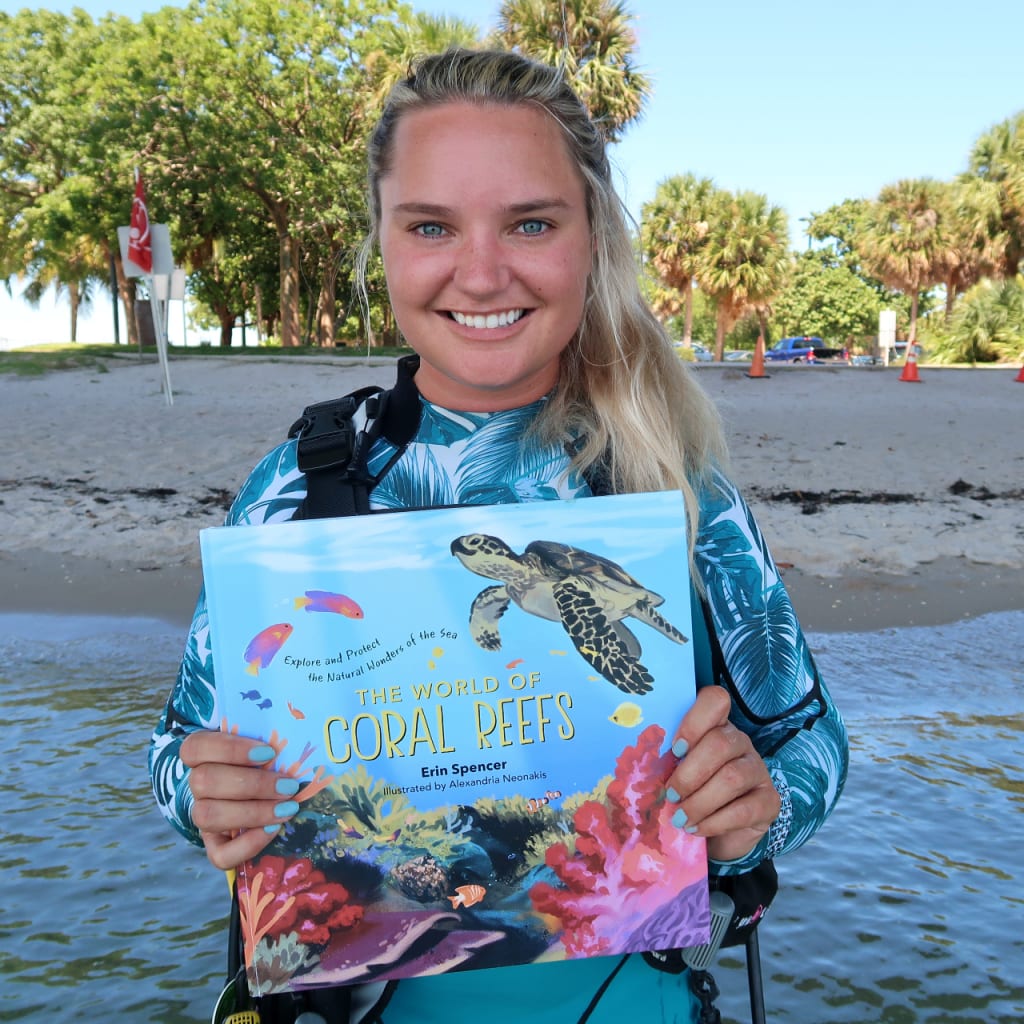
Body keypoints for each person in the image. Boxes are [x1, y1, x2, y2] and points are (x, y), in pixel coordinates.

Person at [149, 47, 848, 1024]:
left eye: (528, 221)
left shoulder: (670, 482)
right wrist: (204, 794)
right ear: (382, 243)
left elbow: (811, 741)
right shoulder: (299, 489)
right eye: (432, 224)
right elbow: (174, 746)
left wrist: (751, 810)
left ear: (590, 241)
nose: (480, 272)